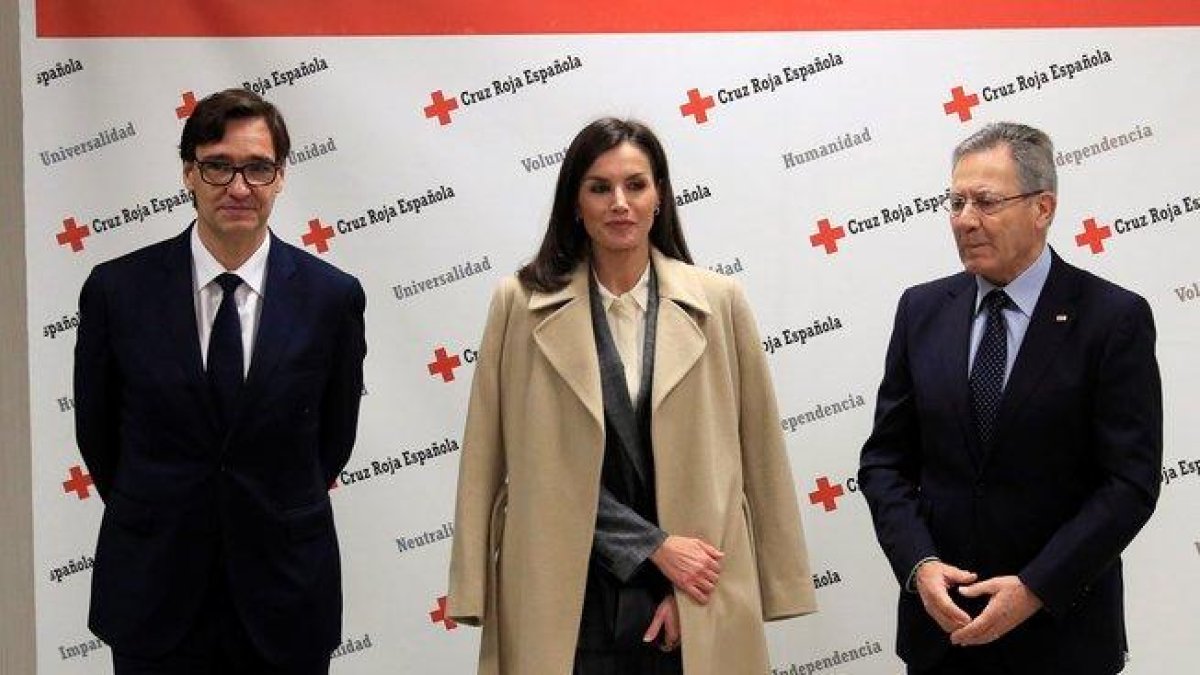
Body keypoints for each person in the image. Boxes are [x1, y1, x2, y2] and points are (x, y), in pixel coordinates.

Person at [447, 117, 815, 674]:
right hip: (563, 589)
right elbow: (487, 459)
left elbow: (757, 458)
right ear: (575, 202)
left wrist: (731, 584)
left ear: (660, 196)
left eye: (636, 185)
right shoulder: (518, 305)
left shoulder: (720, 303)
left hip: (693, 587)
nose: (620, 202)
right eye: (599, 187)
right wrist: (471, 586)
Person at [74, 88, 367, 674]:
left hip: (285, 593)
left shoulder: (331, 297)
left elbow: (331, 442)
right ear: (188, 173)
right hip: (154, 592)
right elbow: (100, 437)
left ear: (281, 177)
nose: (239, 187)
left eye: (258, 167)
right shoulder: (117, 291)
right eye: (218, 166)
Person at [858, 122, 1162, 675]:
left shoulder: (1112, 319)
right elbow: (884, 463)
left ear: (1043, 207)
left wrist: (1035, 588)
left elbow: (1130, 483)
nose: (965, 219)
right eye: (956, 201)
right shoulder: (921, 311)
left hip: (1062, 637)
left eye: (987, 201)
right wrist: (919, 565)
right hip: (943, 636)